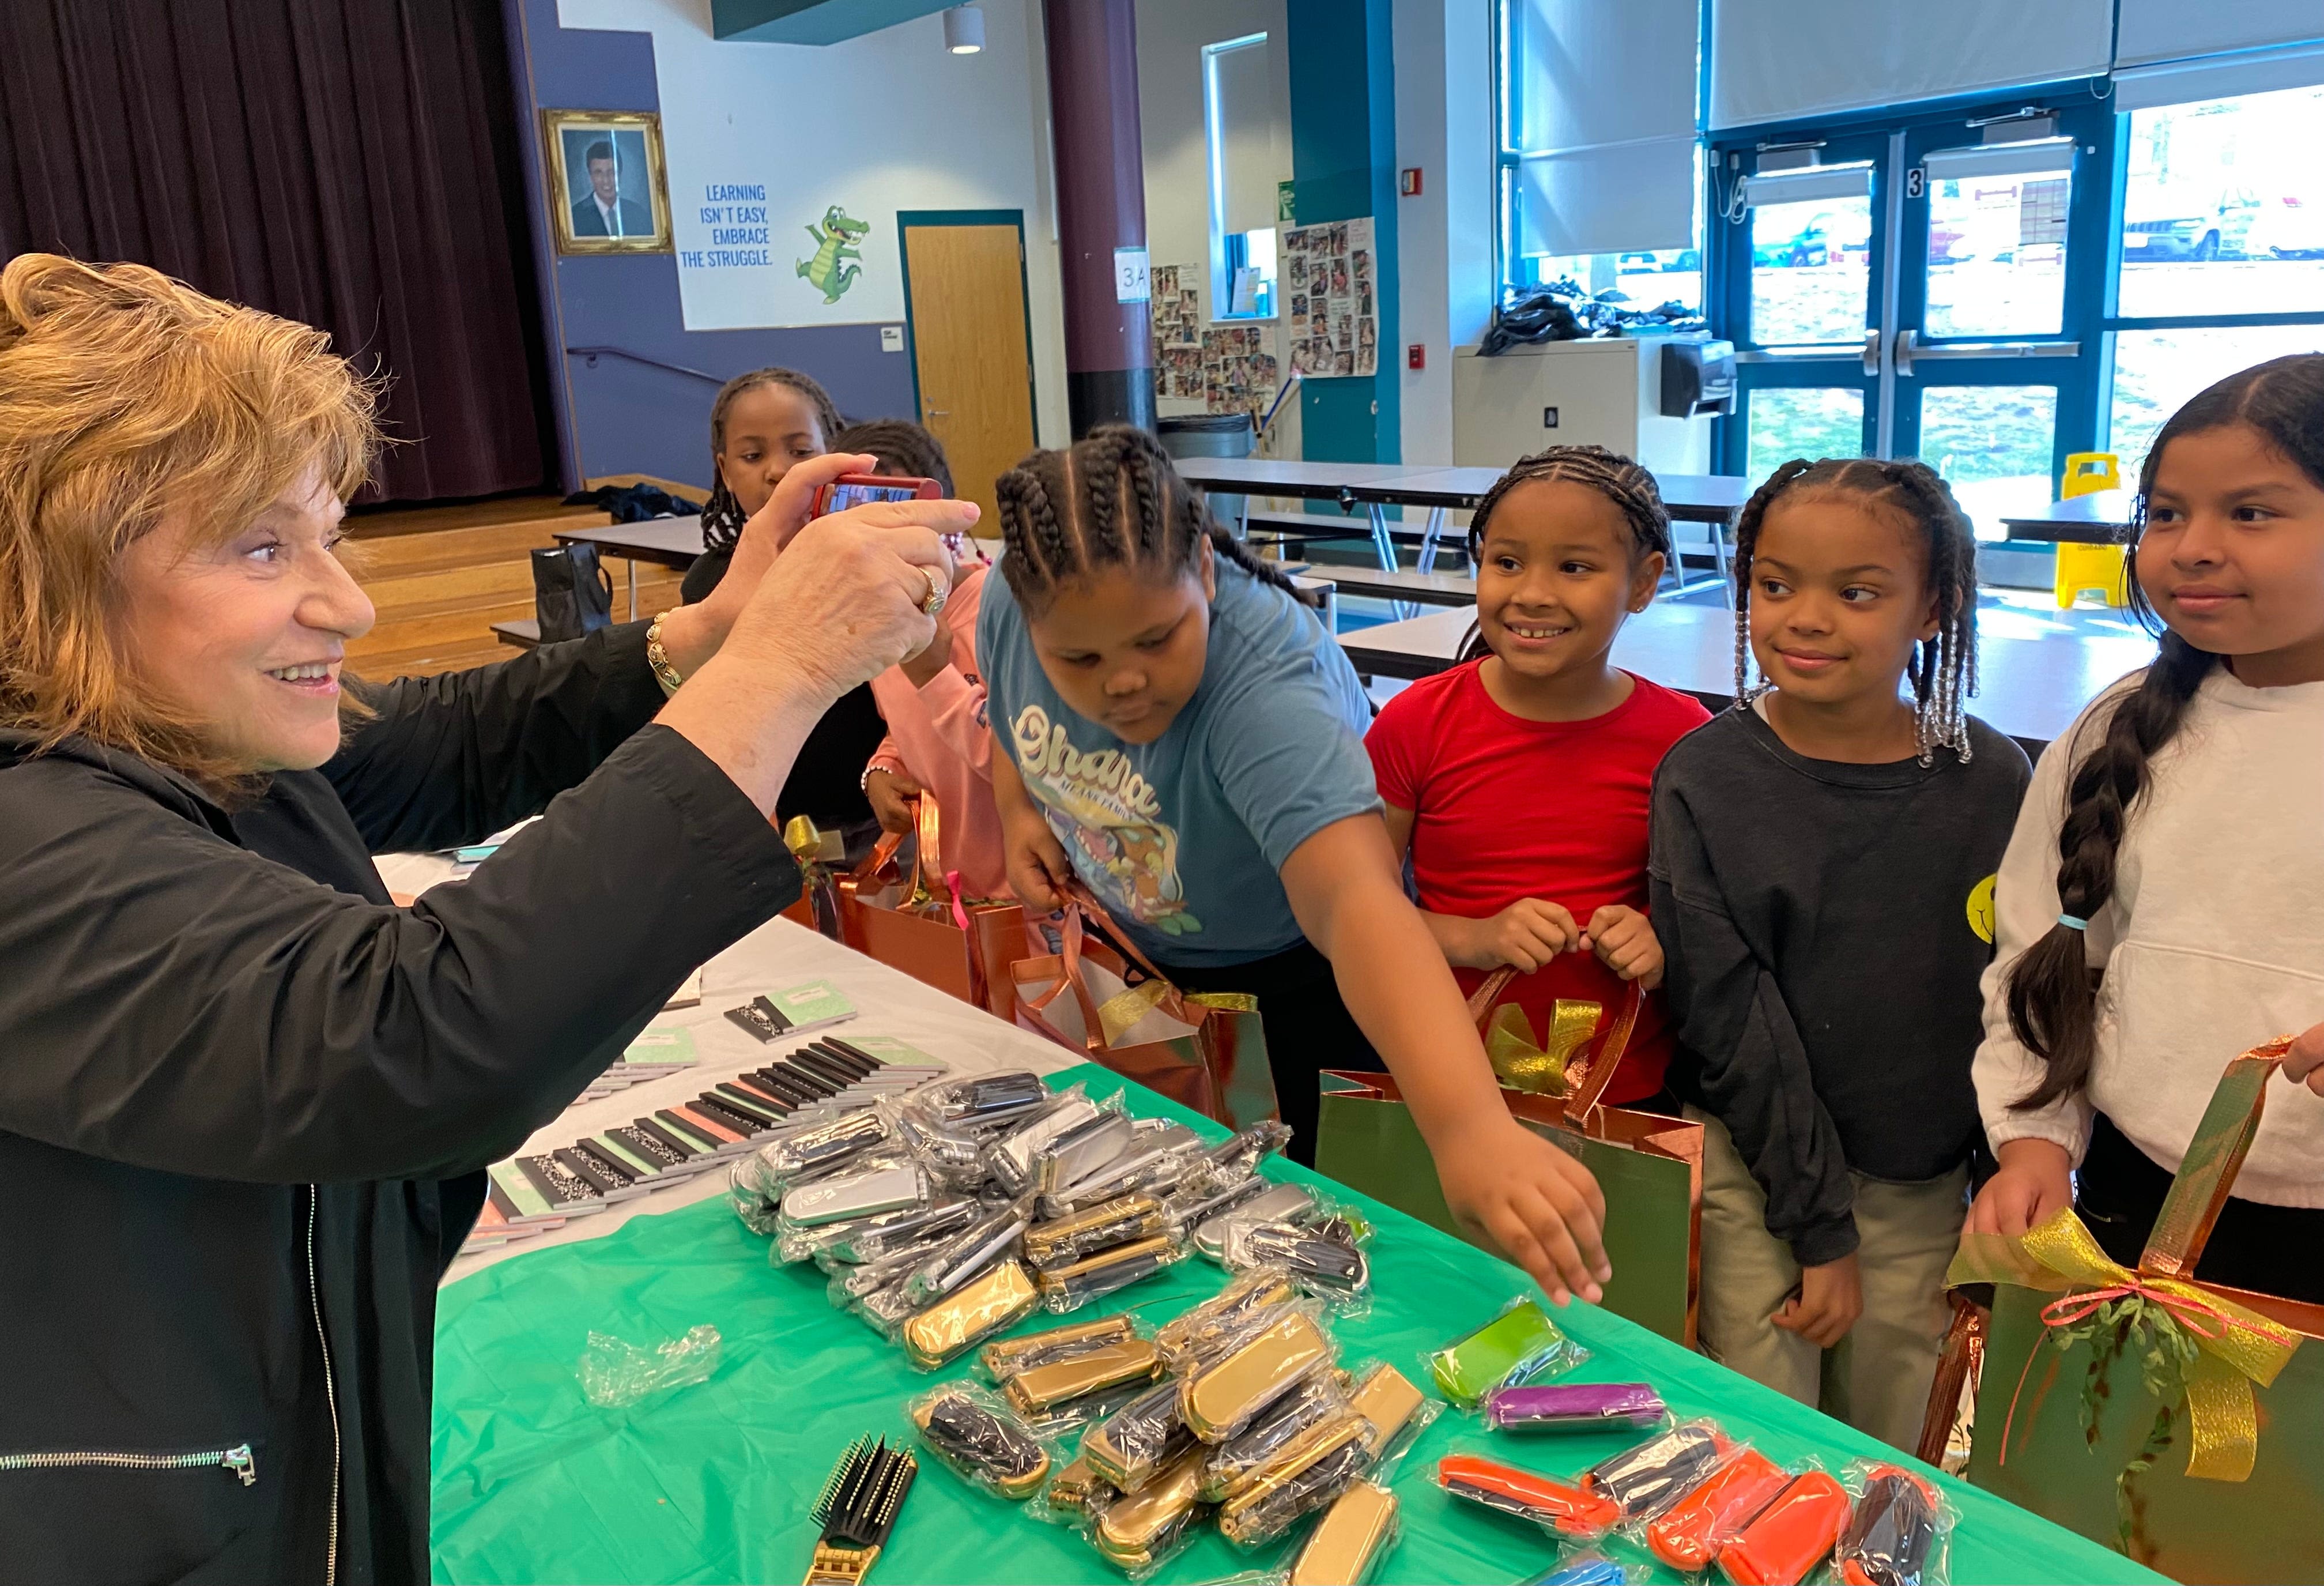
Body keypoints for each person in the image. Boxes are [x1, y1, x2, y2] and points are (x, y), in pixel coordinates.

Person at [0, 254, 970, 1585]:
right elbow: (411, 1033)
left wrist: (706, 636)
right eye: (263, 546)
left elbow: (434, 743)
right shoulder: (25, 841)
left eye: (328, 534)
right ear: (45, 575)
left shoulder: (159, 724)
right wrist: (782, 670)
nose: (348, 603)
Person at [980, 425, 1610, 1305]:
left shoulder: (1268, 690)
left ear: (1204, 568)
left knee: (1312, 1259)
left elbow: (1356, 904)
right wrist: (1019, 810)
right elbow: (1007, 706)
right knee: (1158, 1240)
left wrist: (1470, 1128)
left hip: (1304, 986)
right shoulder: (1012, 605)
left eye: (1157, 640)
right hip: (1147, 969)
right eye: (1079, 660)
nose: (1123, 683)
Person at [1651, 458, 2029, 1452]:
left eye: (1855, 592)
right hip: (1755, 1165)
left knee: (1891, 1441)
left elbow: (2014, 994)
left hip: (1914, 1180)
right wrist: (1819, 1229)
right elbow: (1731, 1019)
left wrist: (2001, 1174)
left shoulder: (1990, 778)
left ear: (1935, 607)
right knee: (1759, 1434)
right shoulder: (1705, 775)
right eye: (1774, 585)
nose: (1803, 618)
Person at [1970, 355, 2324, 1305]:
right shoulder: (2115, 726)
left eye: (2250, 513)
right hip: (2131, 1204)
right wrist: (2034, 1136)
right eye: (2165, 513)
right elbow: (2039, 954)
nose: (2190, 547)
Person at [1367, 446, 1707, 1107]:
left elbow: (1716, 924)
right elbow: (1358, 916)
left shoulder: (1683, 736)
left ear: (1644, 582)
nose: (1531, 593)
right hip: (1446, 1083)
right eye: (1507, 562)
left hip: (1625, 1092)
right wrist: (1477, 937)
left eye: (1574, 567)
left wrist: (1661, 943)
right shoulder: (1416, 723)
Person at [682, 367, 889, 847]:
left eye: (801, 451)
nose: (780, 470)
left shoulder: (872, 565)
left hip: (876, 821)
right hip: (766, 827)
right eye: (753, 455)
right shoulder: (710, 584)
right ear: (726, 470)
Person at [842, 420, 1009, 898]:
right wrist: (882, 769)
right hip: (954, 892)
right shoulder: (885, 617)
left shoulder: (1001, 612)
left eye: (899, 519)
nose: (881, 545)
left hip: (1033, 905)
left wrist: (935, 674)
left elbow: (1027, 762)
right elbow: (907, 720)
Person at [570, 138, 652, 239]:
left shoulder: (638, 214)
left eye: (612, 172)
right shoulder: (575, 218)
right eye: (598, 173)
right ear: (590, 176)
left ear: (620, 173)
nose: (606, 180)